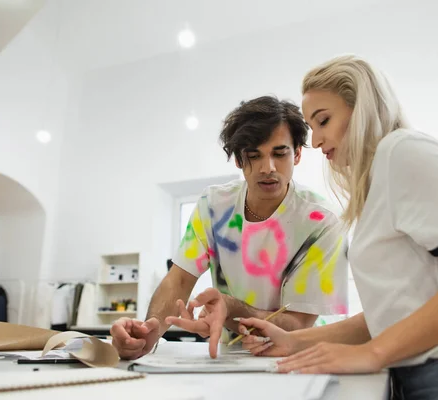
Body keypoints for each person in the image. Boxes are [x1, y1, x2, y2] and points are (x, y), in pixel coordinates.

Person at [238, 55, 438, 399]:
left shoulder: (403, 150)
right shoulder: (379, 184)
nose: (315, 141)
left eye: (324, 120)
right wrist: (293, 340)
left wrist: (371, 353)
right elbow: (389, 318)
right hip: (435, 377)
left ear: (362, 108)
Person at [111, 95, 349, 360]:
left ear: (297, 154)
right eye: (253, 156)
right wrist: (148, 333)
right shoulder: (214, 206)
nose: (267, 168)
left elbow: (297, 324)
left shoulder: (321, 221)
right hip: (229, 357)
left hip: (300, 357)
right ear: (238, 160)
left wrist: (231, 308)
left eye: (279, 154)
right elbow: (178, 279)